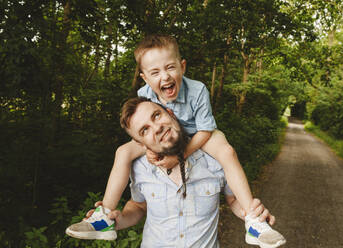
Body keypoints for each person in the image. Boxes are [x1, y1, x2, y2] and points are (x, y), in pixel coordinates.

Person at [66, 34, 286, 247]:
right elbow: (138, 205)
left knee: (226, 151)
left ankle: (254, 222)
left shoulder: (197, 90)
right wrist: (149, 149)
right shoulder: (145, 97)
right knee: (122, 152)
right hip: (169, 144)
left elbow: (206, 130)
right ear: (145, 78)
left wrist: (179, 156)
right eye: (155, 72)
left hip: (199, 135)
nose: (165, 77)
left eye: (170, 67)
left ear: (183, 66)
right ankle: (103, 216)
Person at [73, 97, 284, 248]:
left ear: (171, 113)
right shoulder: (138, 166)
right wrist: (119, 219)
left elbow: (232, 200)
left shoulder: (215, 157)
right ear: (139, 143)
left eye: (157, 115)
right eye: (144, 130)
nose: (156, 128)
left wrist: (252, 213)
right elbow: (138, 206)